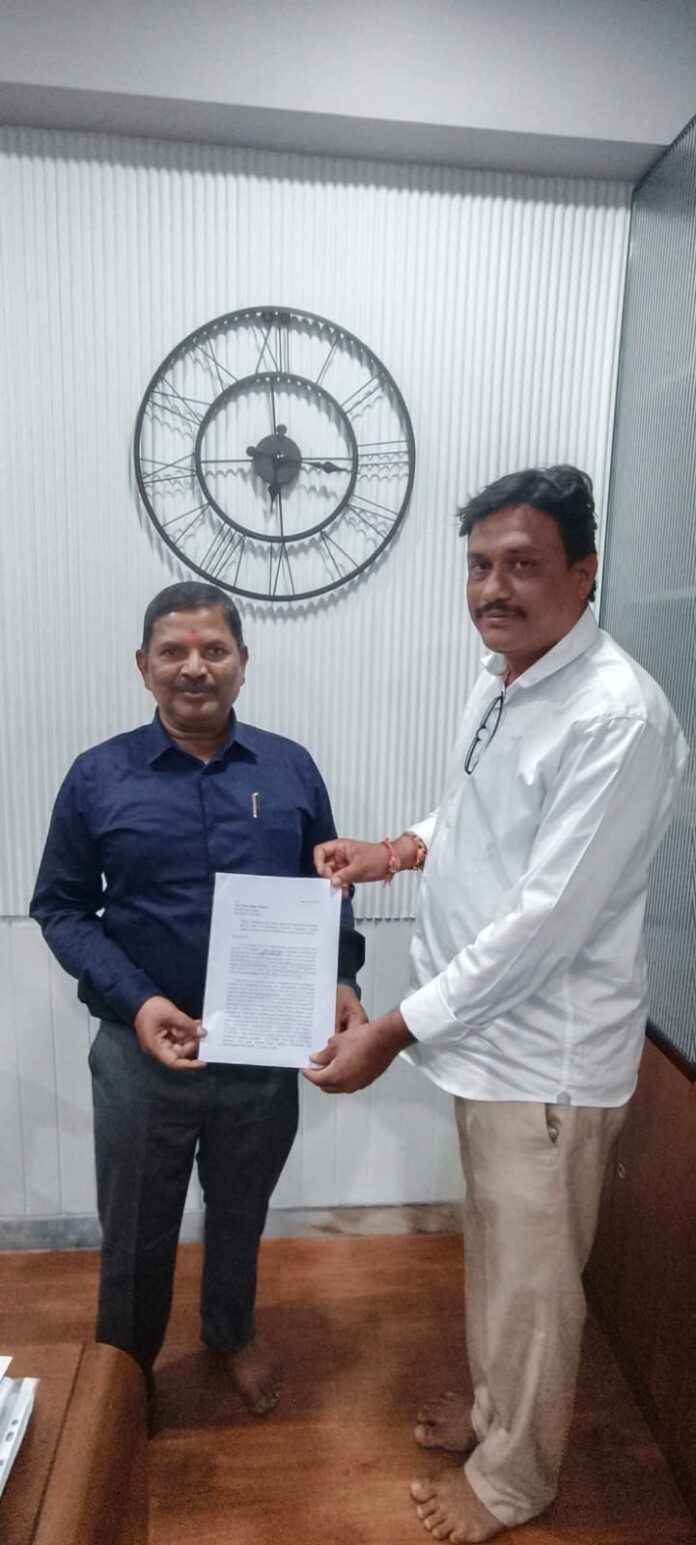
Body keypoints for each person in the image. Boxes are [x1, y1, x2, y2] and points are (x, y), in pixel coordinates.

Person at [308, 465, 688, 1543]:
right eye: (480, 565)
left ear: (585, 571)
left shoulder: (615, 717)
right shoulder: (508, 676)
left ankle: (515, 1479)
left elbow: (543, 923)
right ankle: (493, 1414)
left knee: (532, 1283)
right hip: (483, 1041)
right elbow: (479, 811)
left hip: (543, 1060)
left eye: (523, 564)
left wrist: (392, 1029)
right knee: (502, 1256)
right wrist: (398, 849)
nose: (493, 587)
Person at [31, 580, 365, 1418]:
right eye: (173, 651)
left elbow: (330, 888)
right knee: (135, 1229)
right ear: (143, 666)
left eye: (213, 649)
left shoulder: (290, 769)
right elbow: (61, 907)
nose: (194, 667)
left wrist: (342, 978)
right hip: (141, 1050)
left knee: (241, 1209)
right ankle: (124, 1372)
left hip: (263, 1049)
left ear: (242, 662)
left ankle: (229, 1329)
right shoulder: (97, 776)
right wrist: (138, 1000)